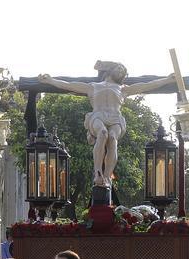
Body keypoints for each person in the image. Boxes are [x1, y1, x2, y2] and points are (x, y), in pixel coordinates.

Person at [38, 63, 175, 187]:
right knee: (103, 134)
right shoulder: (92, 87)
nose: (121, 71)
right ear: (110, 71)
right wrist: (50, 80)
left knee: (113, 138)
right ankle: (97, 173)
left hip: (115, 118)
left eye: (123, 71)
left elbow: (147, 85)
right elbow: (68, 85)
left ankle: (107, 176)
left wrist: (167, 80)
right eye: (119, 68)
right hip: (98, 116)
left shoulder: (123, 89)